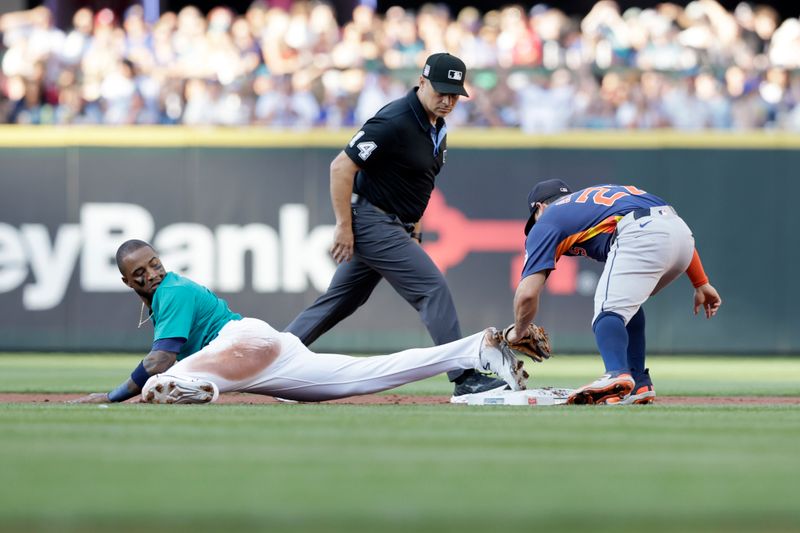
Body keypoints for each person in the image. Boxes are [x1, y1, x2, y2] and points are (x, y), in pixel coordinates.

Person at [284, 52, 506, 396]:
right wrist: (345, 225)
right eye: (441, 91)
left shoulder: (436, 126)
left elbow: (417, 184)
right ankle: (464, 378)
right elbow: (341, 167)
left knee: (340, 301)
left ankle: (269, 357)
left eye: (453, 94)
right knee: (432, 288)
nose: (447, 100)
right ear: (422, 81)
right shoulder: (395, 119)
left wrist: (413, 229)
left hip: (393, 224)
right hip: (371, 220)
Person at [70, 240, 526, 405]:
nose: (150, 273)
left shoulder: (170, 289)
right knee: (366, 376)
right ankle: (476, 348)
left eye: (153, 263)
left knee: (157, 383)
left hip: (242, 344)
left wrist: (113, 396)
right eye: (140, 273)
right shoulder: (165, 291)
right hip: (267, 354)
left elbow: (160, 357)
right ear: (127, 281)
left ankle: (200, 389)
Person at [506, 179, 722, 405]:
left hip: (643, 232)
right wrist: (701, 283)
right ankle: (639, 382)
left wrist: (518, 332)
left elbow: (527, 294)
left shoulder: (547, 220)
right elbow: (664, 224)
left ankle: (616, 373)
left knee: (607, 311)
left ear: (539, 208)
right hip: (681, 235)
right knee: (626, 305)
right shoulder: (587, 203)